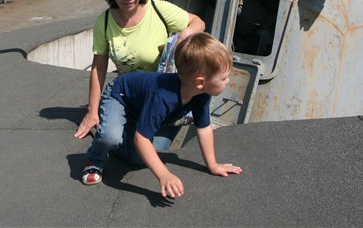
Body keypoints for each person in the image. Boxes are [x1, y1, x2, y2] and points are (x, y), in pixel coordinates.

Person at [78, 32, 243, 197]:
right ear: (200, 82)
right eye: (224, 78)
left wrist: (212, 165)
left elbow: (204, 128)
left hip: (141, 105)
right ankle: (95, 159)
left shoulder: (202, 93)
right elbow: (141, 139)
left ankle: (118, 135)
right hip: (119, 95)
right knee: (110, 137)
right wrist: (164, 175)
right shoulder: (163, 98)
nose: (227, 81)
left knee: (139, 158)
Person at [73, 0, 205, 140]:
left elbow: (198, 22)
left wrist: (184, 35)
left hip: (162, 94)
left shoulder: (159, 10)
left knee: (150, 151)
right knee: (110, 138)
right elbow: (99, 67)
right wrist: (92, 111)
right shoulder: (103, 22)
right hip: (126, 93)